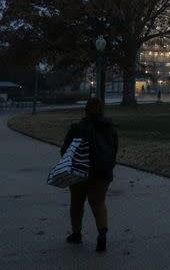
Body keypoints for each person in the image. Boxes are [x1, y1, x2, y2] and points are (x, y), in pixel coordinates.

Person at [60, 98, 119, 252]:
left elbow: (65, 150)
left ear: (86, 111)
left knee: (77, 203)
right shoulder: (110, 128)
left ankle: (76, 233)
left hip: (79, 171)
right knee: (98, 203)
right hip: (102, 173)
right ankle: (102, 232)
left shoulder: (77, 128)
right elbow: (114, 150)